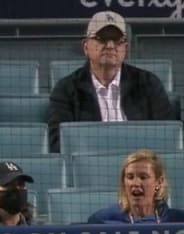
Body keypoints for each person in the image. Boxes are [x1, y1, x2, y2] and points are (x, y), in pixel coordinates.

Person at [48, 11, 173, 153]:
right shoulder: (66, 89)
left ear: (125, 48)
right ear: (85, 47)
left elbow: (167, 136)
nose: (110, 45)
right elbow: (58, 143)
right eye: (101, 39)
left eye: (117, 39)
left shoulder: (148, 83)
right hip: (90, 165)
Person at [87, 150, 184, 224]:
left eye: (143, 177)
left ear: (158, 182)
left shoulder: (178, 220)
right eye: (130, 177)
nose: (135, 183)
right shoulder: (102, 221)